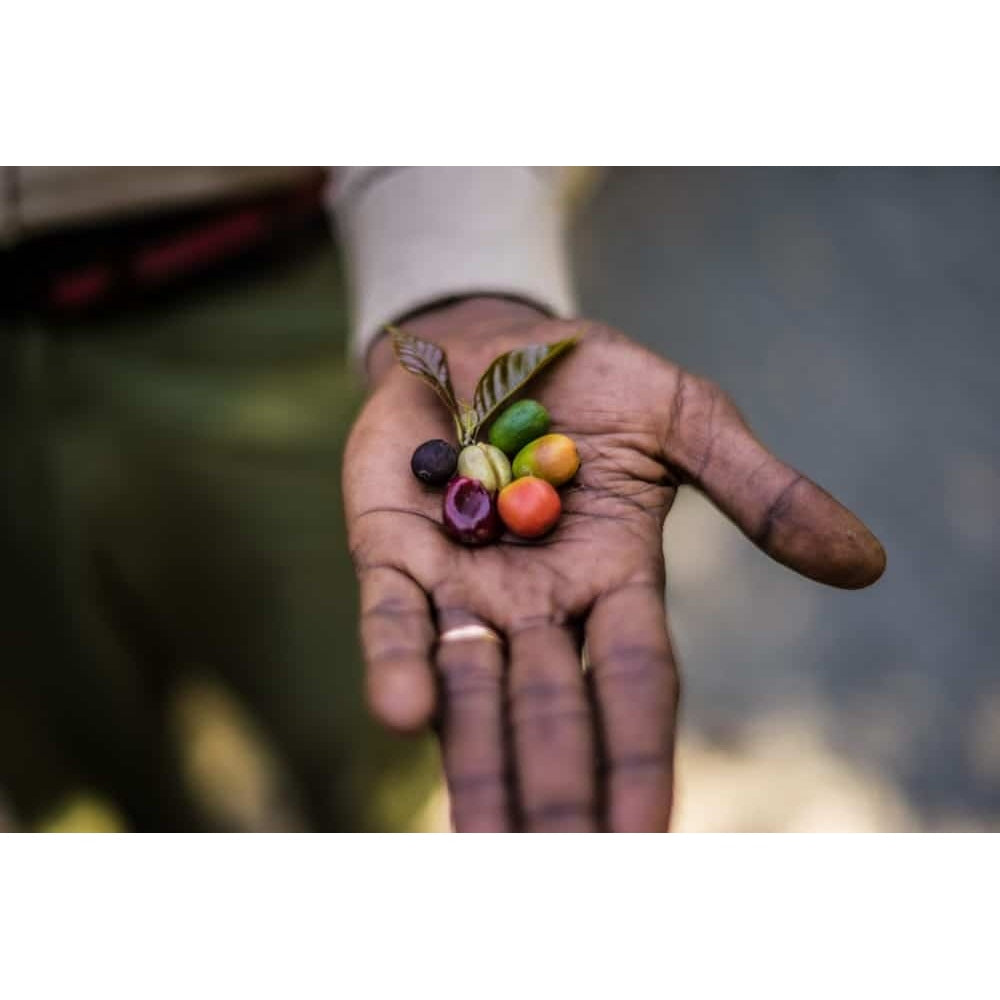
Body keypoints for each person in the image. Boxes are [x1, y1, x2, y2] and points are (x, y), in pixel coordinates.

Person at [1, 167, 884, 831]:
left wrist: (460, 279)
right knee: (62, 758)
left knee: (358, 731)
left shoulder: (480, 455)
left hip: (269, 286)